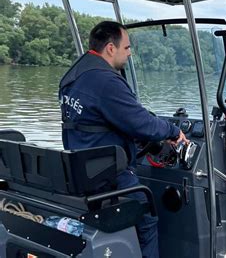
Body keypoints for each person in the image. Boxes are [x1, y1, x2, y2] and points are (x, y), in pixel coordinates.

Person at [59, 21, 187, 257]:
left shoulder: (73, 75)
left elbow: (101, 122)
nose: (130, 53)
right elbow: (142, 123)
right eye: (127, 48)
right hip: (108, 174)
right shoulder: (105, 81)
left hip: (82, 169)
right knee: (146, 214)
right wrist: (172, 131)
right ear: (110, 48)